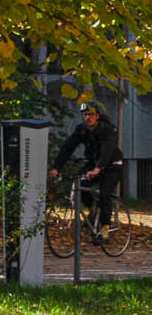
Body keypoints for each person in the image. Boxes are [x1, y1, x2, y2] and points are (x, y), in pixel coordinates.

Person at [52, 103, 125, 243]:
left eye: (91, 114)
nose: (88, 117)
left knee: (105, 193)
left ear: (97, 116)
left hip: (112, 165)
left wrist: (99, 168)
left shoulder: (107, 129)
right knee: (80, 183)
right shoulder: (81, 130)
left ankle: (104, 230)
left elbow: (107, 150)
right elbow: (68, 148)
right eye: (85, 115)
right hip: (92, 164)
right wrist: (56, 167)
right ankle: (93, 209)